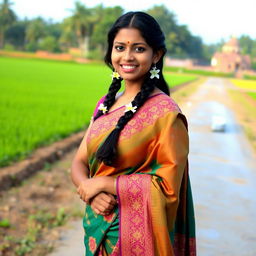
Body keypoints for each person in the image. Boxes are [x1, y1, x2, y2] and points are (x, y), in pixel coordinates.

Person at [71, 11, 196, 256]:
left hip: (134, 239)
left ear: (156, 54)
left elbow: (168, 188)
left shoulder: (166, 114)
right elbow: (79, 161)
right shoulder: (105, 106)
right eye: (120, 47)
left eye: (138, 49)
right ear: (111, 52)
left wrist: (104, 183)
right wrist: (90, 191)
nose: (127, 57)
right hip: (97, 231)